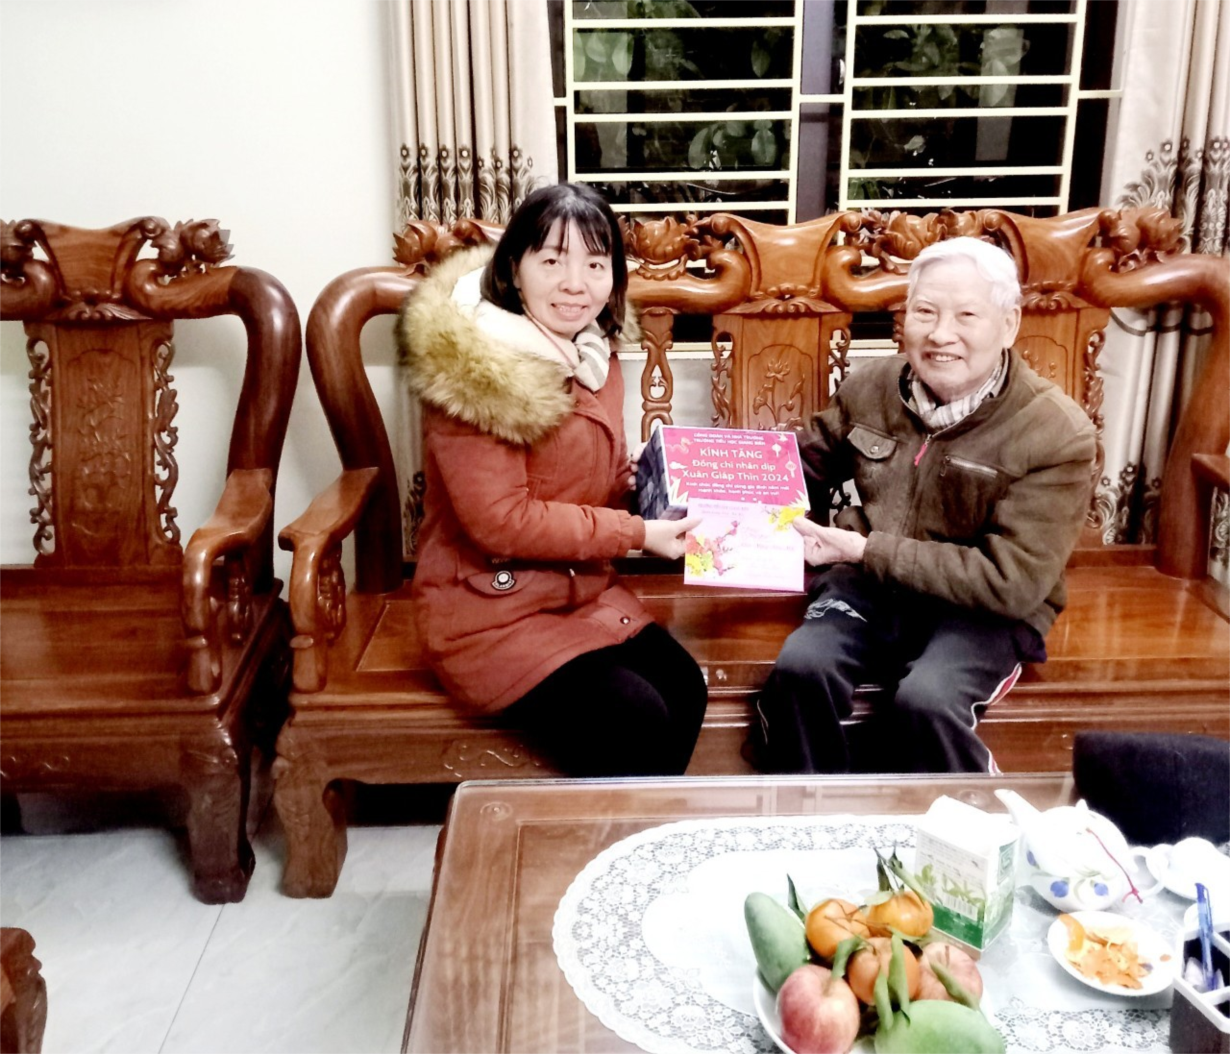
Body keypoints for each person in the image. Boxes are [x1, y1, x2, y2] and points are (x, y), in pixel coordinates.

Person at [754, 236, 1097, 774]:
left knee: (927, 701)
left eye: (966, 315)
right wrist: (687, 475)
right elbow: (798, 469)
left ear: (1008, 325)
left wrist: (865, 550)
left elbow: (1011, 582)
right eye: (925, 312)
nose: (941, 334)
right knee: (802, 671)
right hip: (868, 587)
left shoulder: (1057, 432)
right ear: (904, 318)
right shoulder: (872, 386)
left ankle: (970, 817)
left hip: (983, 611)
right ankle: (816, 811)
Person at [397, 182, 707, 777]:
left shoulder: (592, 353)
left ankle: (637, 828)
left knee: (684, 687)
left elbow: (587, 482)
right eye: (553, 261)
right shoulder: (477, 369)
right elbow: (500, 521)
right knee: (634, 717)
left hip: (577, 590)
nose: (575, 284)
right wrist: (635, 534)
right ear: (515, 269)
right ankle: (600, 830)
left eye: (595, 264)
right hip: (486, 609)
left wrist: (650, 484)